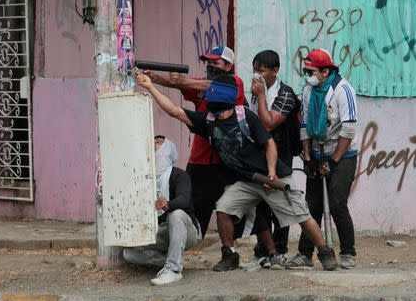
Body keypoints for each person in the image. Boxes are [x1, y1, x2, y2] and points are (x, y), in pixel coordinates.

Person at [135, 72, 338, 272]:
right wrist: (150, 86)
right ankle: (230, 254)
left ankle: (325, 252)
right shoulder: (208, 122)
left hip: (273, 177)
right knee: (223, 208)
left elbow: (269, 144)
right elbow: (175, 111)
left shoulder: (245, 116)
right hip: (247, 181)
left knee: (301, 215)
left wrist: (272, 172)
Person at [143, 45, 245, 238]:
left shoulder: (234, 82)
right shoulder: (198, 83)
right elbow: (180, 84)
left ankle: (236, 250)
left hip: (228, 161)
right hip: (200, 159)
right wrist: (155, 79)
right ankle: (190, 243)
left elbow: (204, 85)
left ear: (229, 66)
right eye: (208, 62)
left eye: (216, 63)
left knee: (232, 211)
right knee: (195, 211)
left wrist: (183, 81)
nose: (211, 66)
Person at [285, 49, 358, 269]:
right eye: (306, 71)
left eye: (311, 71)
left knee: (337, 202)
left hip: (342, 153)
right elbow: (305, 124)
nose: (307, 75)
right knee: (312, 205)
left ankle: (348, 253)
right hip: (317, 151)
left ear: (325, 71)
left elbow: (349, 128)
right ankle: (305, 254)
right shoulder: (308, 89)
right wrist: (308, 158)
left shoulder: (343, 90)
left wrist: (333, 161)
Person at [239, 50, 300, 270]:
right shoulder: (257, 91)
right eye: (255, 69)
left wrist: (262, 95)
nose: (257, 74)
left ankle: (280, 251)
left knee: (280, 204)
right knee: (259, 204)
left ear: (275, 70)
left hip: (280, 155)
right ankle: (262, 252)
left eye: (262, 70)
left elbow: (267, 124)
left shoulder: (285, 94)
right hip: (259, 154)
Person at [123, 136, 199, 285]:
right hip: (160, 232)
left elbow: (184, 199)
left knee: (175, 215)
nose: (153, 144)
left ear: (168, 150)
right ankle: (169, 258)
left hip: (185, 230)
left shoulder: (179, 175)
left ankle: (173, 270)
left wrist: (168, 204)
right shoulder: (144, 179)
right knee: (129, 253)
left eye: (158, 142)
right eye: (151, 142)